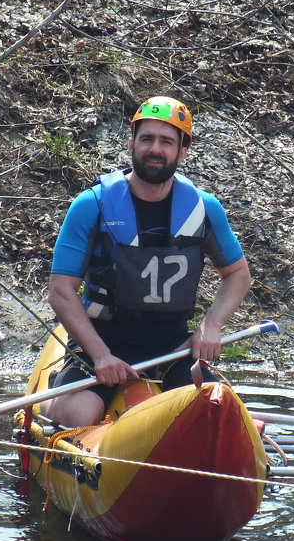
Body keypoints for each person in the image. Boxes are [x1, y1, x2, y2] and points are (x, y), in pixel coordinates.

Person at [42, 96, 251, 428]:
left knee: (216, 417)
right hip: (103, 341)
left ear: (183, 151)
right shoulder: (91, 205)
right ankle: (58, 397)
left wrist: (210, 327)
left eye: (167, 141)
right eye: (147, 139)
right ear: (131, 144)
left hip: (174, 347)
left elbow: (238, 274)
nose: (155, 148)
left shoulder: (204, 209)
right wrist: (100, 355)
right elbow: (60, 290)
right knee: (76, 416)